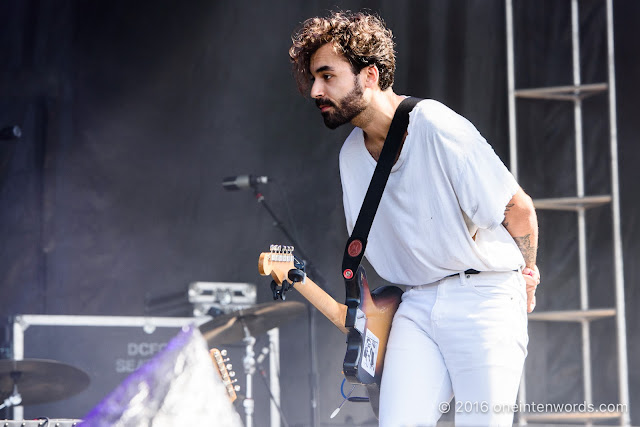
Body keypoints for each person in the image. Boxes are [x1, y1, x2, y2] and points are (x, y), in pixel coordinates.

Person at [289, 11, 540, 427]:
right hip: (416, 303)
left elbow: (518, 209)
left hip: (484, 297)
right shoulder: (350, 156)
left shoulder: (435, 126)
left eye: (327, 75)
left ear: (369, 75)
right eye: (313, 78)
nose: (315, 89)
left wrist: (528, 272)